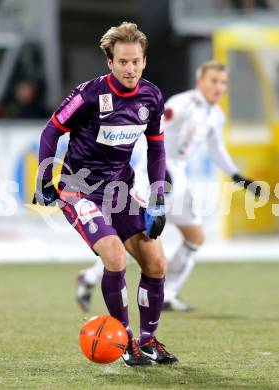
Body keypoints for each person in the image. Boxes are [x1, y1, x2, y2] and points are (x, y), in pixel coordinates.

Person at [33, 22, 178, 366]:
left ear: (144, 61)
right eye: (123, 61)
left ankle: (149, 341)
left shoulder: (151, 97)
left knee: (157, 264)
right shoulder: (88, 95)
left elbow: (156, 149)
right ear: (110, 63)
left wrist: (157, 198)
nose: (130, 68)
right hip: (79, 189)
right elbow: (51, 131)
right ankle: (125, 342)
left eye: (136, 61)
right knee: (114, 257)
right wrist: (44, 178)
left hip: (121, 189)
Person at [76, 60, 262, 313]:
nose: (218, 87)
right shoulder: (181, 105)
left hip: (178, 180)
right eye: (214, 81)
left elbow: (217, 149)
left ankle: (168, 294)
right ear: (201, 82)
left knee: (195, 237)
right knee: (140, 238)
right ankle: (90, 277)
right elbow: (150, 136)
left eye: (223, 82)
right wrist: (158, 174)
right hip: (153, 179)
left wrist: (238, 177)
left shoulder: (216, 115)